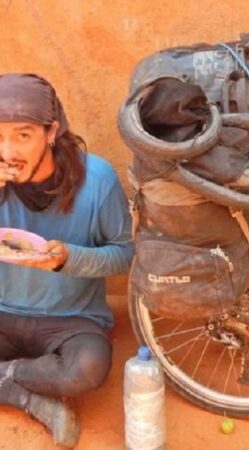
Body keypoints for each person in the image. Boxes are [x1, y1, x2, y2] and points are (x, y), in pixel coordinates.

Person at [0, 73, 133, 448]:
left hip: (71, 320)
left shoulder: (97, 179)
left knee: (87, 370)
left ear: (51, 131)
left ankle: (6, 377)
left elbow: (124, 255)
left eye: (22, 135)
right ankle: (26, 397)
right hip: (3, 312)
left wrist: (67, 259)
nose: (7, 151)